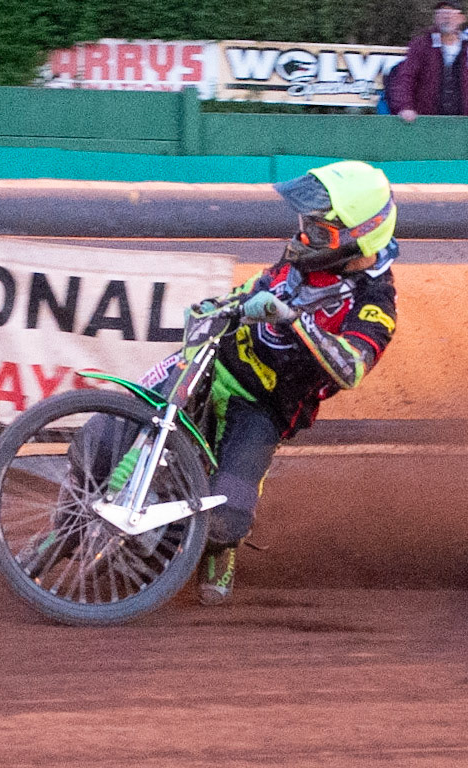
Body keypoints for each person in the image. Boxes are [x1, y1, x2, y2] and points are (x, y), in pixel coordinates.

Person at [150, 161, 399, 604]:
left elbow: (352, 368)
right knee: (107, 436)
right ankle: (61, 535)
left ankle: (216, 547)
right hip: (215, 362)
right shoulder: (302, 253)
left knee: (226, 519)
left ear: (359, 236)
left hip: (266, 405)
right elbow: (262, 285)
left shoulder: (375, 303)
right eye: (305, 224)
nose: (304, 236)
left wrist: (295, 319)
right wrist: (219, 304)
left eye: (318, 230)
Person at [389, 1, 468, 122]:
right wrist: (405, 107)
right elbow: (406, 78)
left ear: (462, 18)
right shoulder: (422, 44)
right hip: (426, 121)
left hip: (461, 122)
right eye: (442, 13)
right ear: (435, 18)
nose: (447, 17)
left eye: (452, 13)